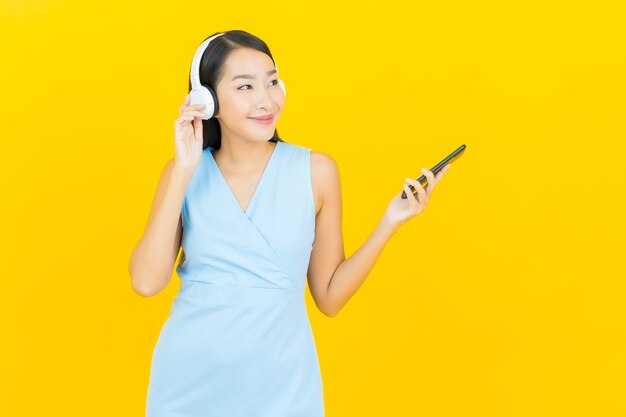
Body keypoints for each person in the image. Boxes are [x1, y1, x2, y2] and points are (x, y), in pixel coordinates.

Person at [128, 29, 451, 417]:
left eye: (273, 81)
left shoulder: (316, 172)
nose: (266, 100)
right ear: (207, 100)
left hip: (281, 389)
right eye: (245, 86)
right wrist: (183, 169)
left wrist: (389, 222)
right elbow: (146, 282)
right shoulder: (182, 173)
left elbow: (329, 298)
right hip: (187, 385)